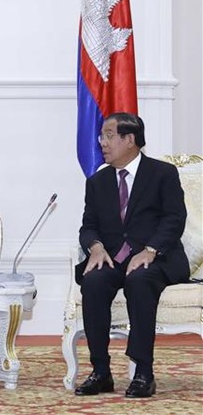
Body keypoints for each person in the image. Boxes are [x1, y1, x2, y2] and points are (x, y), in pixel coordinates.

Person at [74, 113, 189, 398]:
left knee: (139, 279)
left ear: (130, 139)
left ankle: (143, 373)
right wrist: (96, 247)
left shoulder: (162, 173)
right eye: (102, 135)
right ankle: (101, 371)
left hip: (157, 257)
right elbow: (88, 226)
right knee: (93, 281)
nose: (102, 142)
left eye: (109, 135)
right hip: (114, 257)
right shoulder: (97, 182)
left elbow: (175, 218)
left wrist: (150, 250)